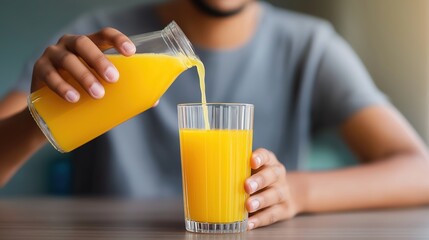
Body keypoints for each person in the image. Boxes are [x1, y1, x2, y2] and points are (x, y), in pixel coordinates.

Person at [1, 0, 429, 230]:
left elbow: (420, 172)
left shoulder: (309, 48)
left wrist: (296, 193)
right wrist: (42, 116)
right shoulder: (104, 43)